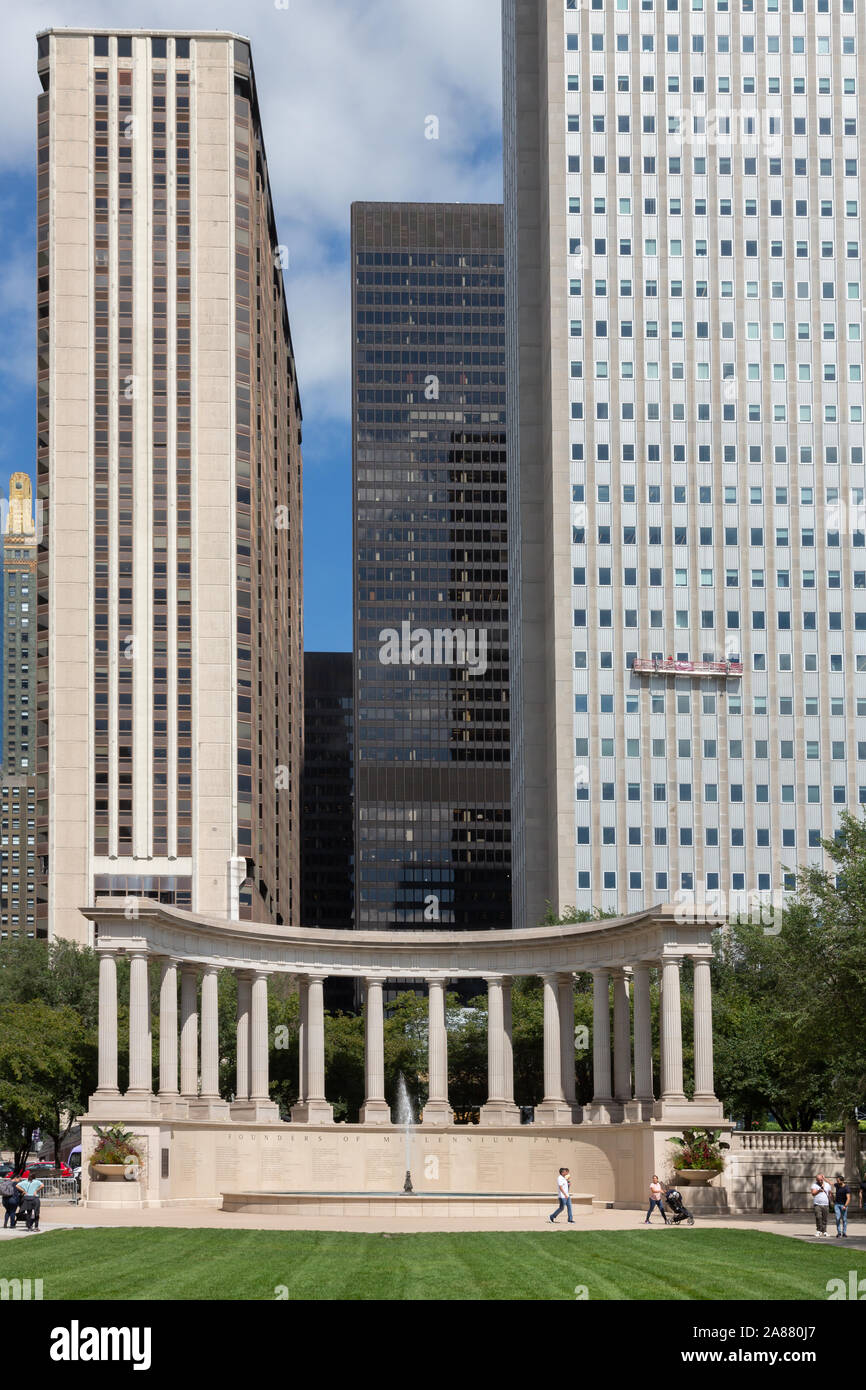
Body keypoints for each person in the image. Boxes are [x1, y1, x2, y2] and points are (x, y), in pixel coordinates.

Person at [810, 1173, 832, 1237]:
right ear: (816, 1180)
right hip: (817, 1204)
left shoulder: (827, 1185)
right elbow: (813, 1193)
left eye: (821, 1180)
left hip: (826, 1204)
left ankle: (824, 1231)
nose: (820, 1181)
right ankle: (818, 1230)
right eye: (818, 1180)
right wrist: (819, 1191)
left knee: (824, 1218)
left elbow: (830, 1193)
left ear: (823, 1179)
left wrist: (832, 1200)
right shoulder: (814, 1185)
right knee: (818, 1217)